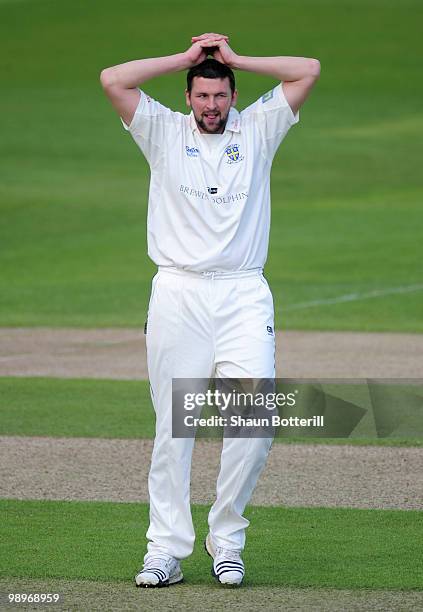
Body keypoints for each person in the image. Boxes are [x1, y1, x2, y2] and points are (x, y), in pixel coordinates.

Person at [100, 32, 320, 588]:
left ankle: (227, 539)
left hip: (244, 293)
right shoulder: (164, 130)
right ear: (190, 96)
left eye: (221, 96)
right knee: (175, 429)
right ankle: (165, 551)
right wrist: (185, 59)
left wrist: (236, 58)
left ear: (233, 95)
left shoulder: (259, 128)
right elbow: (112, 80)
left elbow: (307, 69)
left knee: (254, 421)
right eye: (202, 96)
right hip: (178, 293)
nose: (212, 106)